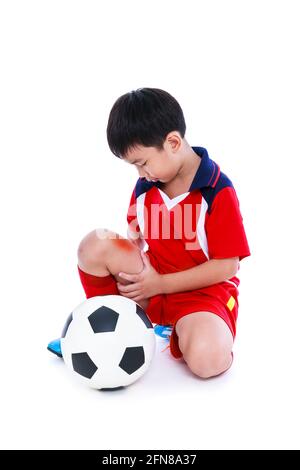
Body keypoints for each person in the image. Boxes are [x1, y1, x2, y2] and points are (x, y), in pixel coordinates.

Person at [48, 87, 251, 379]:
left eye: (142, 163)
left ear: (172, 142)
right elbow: (135, 233)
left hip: (202, 295)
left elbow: (227, 265)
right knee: (94, 245)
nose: (140, 174)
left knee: (209, 361)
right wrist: (134, 259)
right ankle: (95, 330)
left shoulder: (217, 190)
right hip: (151, 283)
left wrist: (162, 284)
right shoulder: (147, 185)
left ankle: (184, 331)